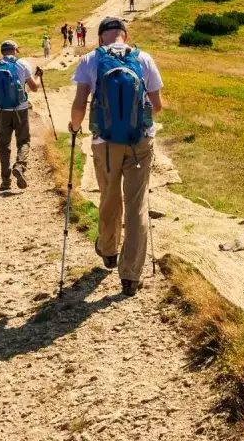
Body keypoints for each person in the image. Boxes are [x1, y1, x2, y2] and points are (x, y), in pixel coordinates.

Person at [68, 17, 163, 296]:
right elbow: (157, 106)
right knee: (137, 204)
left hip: (105, 143)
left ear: (100, 37)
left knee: (109, 195)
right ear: (125, 35)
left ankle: (109, 250)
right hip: (139, 141)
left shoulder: (90, 60)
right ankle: (131, 276)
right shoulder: (143, 58)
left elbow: (79, 105)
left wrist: (74, 127)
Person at [0, 40, 42, 191]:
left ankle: (5, 181)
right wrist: (38, 76)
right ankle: (19, 166)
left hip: (2, 111)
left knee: (4, 144)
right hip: (20, 109)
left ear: (2, 51)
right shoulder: (22, 64)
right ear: (15, 50)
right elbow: (34, 87)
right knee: (23, 141)